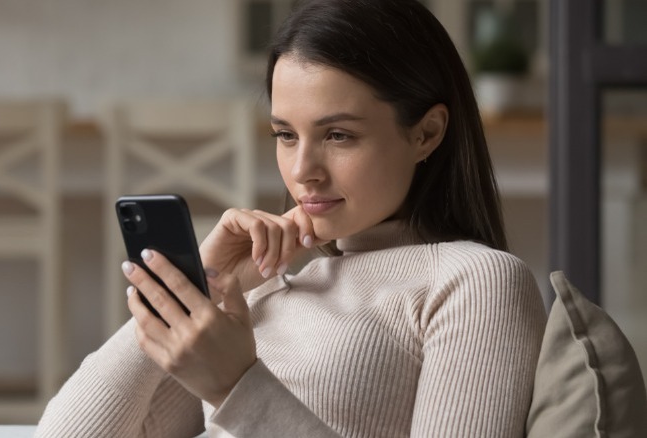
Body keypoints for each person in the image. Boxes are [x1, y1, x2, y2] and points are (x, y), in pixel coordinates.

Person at [35, 0, 547, 436]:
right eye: (285, 135)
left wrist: (235, 385)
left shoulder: (474, 281)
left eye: (339, 135)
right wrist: (191, 291)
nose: (302, 171)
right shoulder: (264, 293)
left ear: (427, 133)